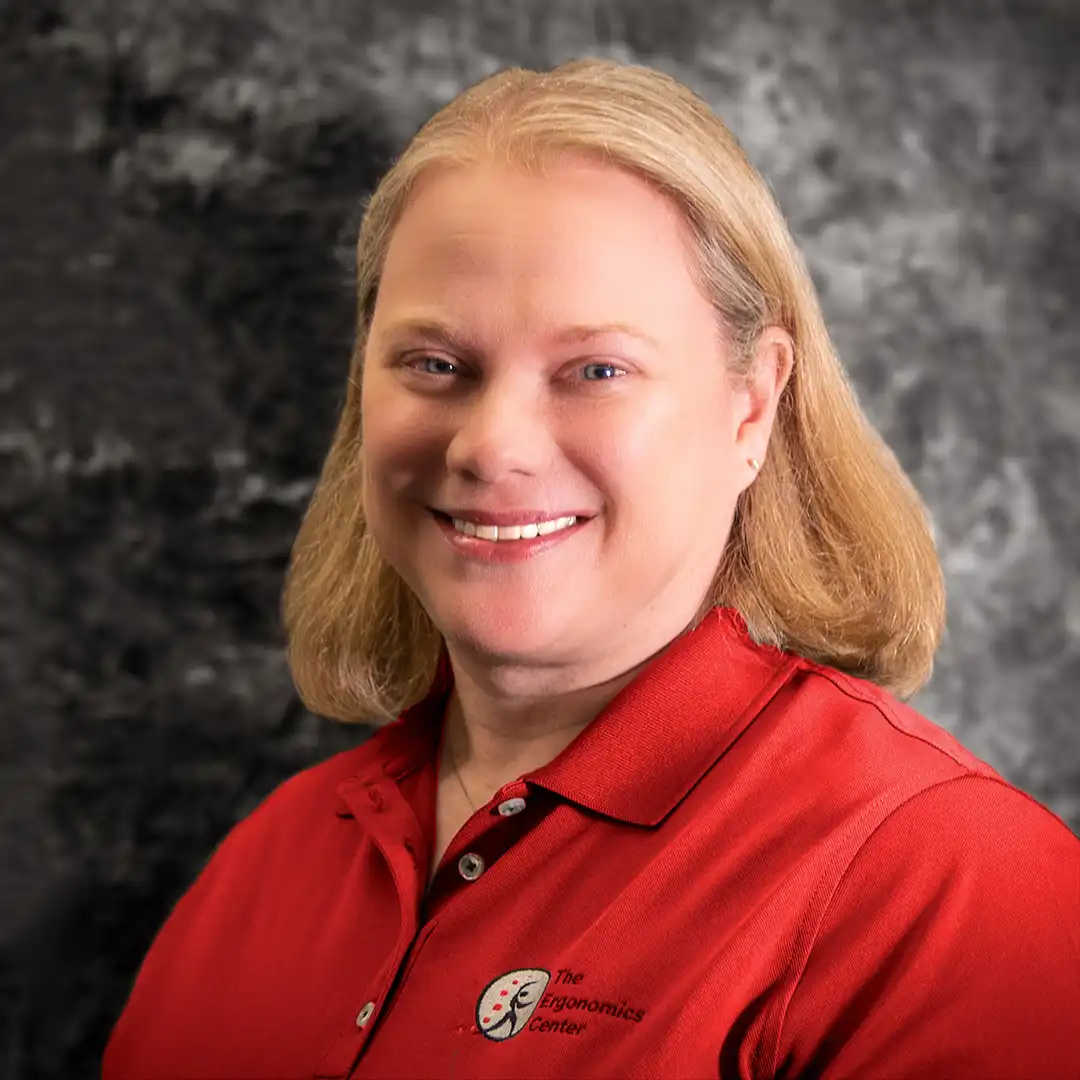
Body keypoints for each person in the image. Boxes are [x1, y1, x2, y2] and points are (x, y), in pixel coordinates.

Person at [101, 57, 1079, 1080]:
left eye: (597, 371)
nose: (490, 446)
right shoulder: (271, 860)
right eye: (435, 364)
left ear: (752, 406)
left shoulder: (950, 883)